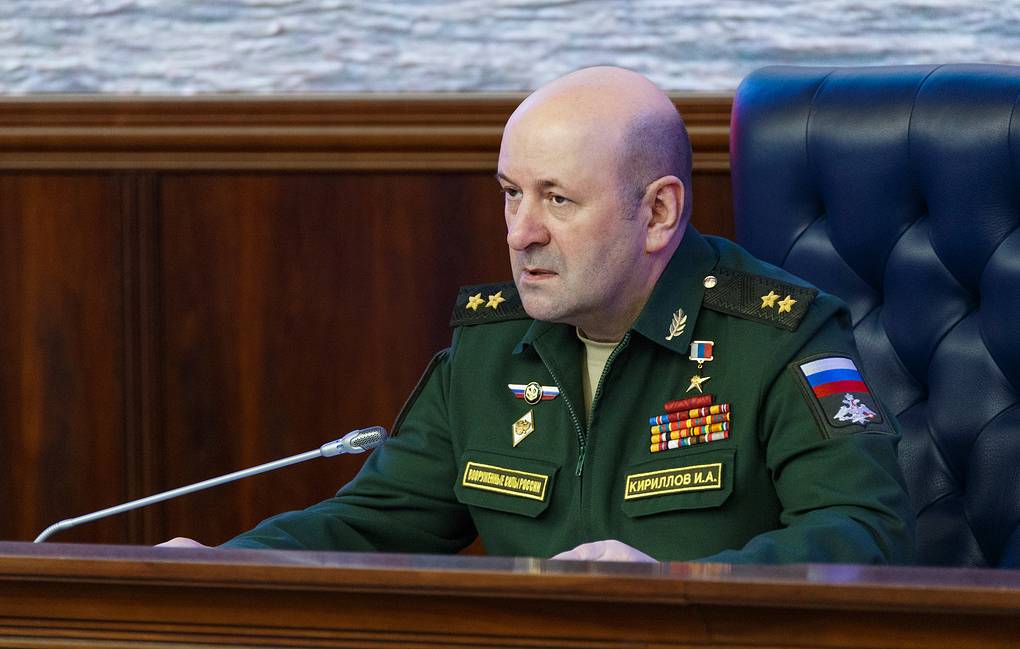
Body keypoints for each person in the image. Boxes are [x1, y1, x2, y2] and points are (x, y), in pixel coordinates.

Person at [161, 66, 915, 564]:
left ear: (657, 213)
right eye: (510, 194)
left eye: (557, 199)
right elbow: (372, 523)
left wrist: (675, 582)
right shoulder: (491, 350)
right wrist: (224, 566)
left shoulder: (778, 337)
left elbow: (862, 536)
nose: (521, 233)